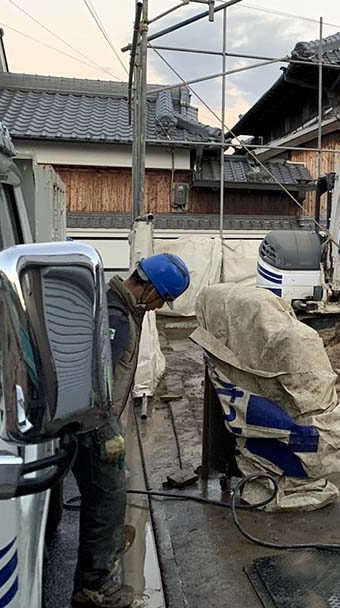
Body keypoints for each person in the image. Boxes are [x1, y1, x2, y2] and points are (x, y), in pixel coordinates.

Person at [72, 253, 191, 608]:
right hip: (93, 425)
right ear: (149, 288)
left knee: (109, 495)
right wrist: (108, 431)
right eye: (161, 299)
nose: (158, 308)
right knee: (108, 499)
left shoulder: (117, 306)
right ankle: (93, 585)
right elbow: (95, 383)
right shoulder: (116, 317)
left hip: (100, 422)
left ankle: (105, 546)